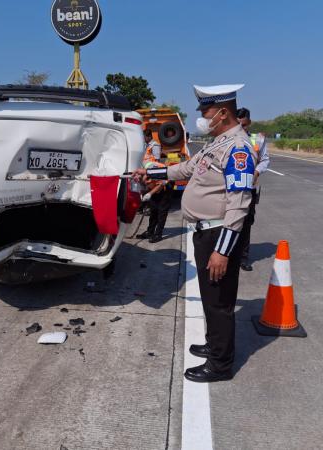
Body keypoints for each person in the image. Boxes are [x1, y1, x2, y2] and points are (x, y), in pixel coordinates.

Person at [134, 84, 257, 382]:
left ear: (223, 112)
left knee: (219, 303)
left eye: (206, 110)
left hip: (218, 236)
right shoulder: (218, 142)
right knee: (210, 299)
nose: (201, 116)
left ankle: (220, 365)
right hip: (205, 234)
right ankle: (214, 344)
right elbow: (186, 169)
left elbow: (239, 205)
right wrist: (152, 172)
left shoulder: (238, 149)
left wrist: (223, 251)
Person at [236, 107, 270, 271]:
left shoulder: (258, 140)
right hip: (230, 189)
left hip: (249, 188)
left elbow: (265, 160)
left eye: (244, 124)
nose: (242, 127)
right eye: (238, 124)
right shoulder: (227, 139)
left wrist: (257, 172)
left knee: (246, 223)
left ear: (249, 122)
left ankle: (243, 257)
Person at [137, 130, 173, 243]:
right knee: (153, 210)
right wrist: (144, 192)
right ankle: (150, 232)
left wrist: (149, 194)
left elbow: (161, 184)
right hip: (156, 183)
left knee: (161, 212)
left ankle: (158, 234)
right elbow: (146, 182)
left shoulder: (155, 169)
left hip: (166, 186)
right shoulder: (144, 169)